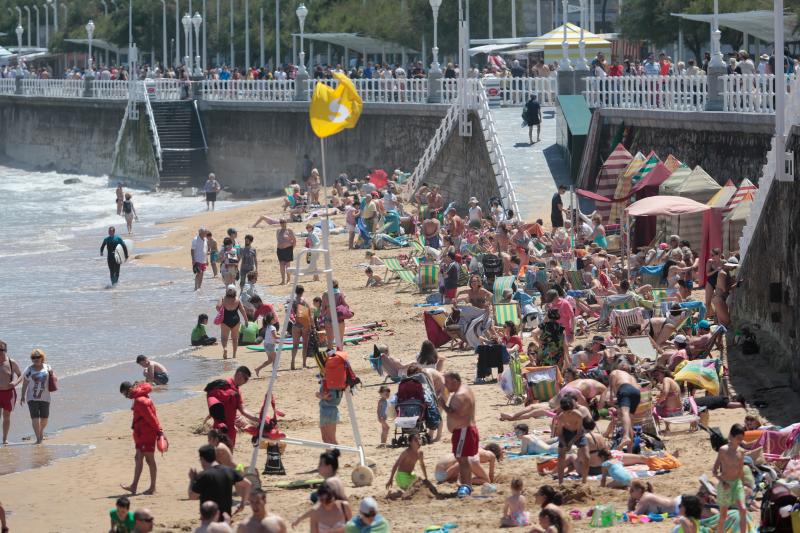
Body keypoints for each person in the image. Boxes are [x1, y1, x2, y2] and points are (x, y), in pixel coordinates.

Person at [438, 372, 478, 498]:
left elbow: (455, 413)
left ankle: (466, 486)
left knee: (462, 461)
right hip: (466, 430)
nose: (446, 385)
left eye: (447, 382)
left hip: (463, 431)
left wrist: (443, 405)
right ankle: (467, 486)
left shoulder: (459, 395)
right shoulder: (465, 389)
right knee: (463, 460)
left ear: (455, 381)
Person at [119, 381, 162, 495]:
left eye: (125, 394)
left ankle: (152, 487)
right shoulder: (138, 397)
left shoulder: (140, 401)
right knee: (138, 458)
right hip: (141, 434)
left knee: (149, 460)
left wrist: (159, 431)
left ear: (130, 389)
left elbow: (151, 418)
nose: (126, 397)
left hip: (147, 434)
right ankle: (134, 486)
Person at [189, 444, 252, 519]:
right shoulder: (229, 471)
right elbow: (248, 484)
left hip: (209, 521)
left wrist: (192, 480)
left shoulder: (203, 475)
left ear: (202, 458)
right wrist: (242, 504)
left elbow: (192, 496)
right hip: (226, 520)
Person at [205, 366, 260, 449]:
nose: (245, 382)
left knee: (228, 455)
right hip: (220, 427)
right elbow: (212, 401)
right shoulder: (223, 384)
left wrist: (258, 419)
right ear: (239, 374)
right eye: (245, 379)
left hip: (231, 429)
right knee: (218, 455)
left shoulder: (237, 391)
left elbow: (243, 410)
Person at [713, 423, 747, 533]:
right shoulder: (723, 450)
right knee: (723, 515)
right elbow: (714, 471)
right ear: (731, 436)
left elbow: (740, 470)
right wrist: (723, 482)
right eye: (738, 438)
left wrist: (744, 485)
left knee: (743, 509)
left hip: (737, 484)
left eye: (741, 439)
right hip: (725, 484)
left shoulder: (741, 452)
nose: (740, 441)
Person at [19, 349, 55, 445]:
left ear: (42, 357)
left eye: (37, 357)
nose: (35, 359)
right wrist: (22, 396)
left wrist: (53, 376)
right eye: (33, 357)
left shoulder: (47, 367)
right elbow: (25, 383)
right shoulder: (29, 369)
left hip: (45, 397)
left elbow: (54, 378)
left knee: (45, 418)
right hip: (32, 398)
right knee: (35, 418)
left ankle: (41, 431)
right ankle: (38, 439)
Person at [555, 396, 591, 485]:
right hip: (566, 433)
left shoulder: (578, 415)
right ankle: (560, 482)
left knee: (587, 457)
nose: (568, 414)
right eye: (566, 412)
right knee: (561, 457)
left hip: (577, 433)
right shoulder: (561, 417)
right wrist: (564, 443)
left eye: (570, 411)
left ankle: (584, 481)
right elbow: (559, 433)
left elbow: (579, 432)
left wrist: (571, 443)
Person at [608, 366, 641, 452]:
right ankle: (630, 451)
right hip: (637, 393)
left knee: (624, 413)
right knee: (630, 421)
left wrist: (612, 398)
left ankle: (625, 436)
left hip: (624, 389)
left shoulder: (615, 371)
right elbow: (638, 388)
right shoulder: (631, 377)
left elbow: (612, 391)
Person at [217, 285, 248, 360]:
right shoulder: (237, 299)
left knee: (224, 338)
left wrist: (221, 310)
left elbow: (218, 307)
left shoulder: (223, 299)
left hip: (225, 320)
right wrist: (246, 320)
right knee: (235, 339)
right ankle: (234, 355)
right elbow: (242, 310)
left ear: (226, 291)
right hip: (236, 320)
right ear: (235, 291)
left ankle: (225, 348)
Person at [0, 340, 21, 445]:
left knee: (6, 417)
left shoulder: (11, 362)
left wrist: (15, 382)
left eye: (1, 350)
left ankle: (4, 439)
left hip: (8, 393)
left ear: (5, 350)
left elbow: (20, 375)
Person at [275, 219, 296, 285]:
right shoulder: (278, 231)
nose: (282, 223)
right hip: (279, 250)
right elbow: (278, 240)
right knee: (281, 265)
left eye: (283, 222)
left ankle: (288, 280)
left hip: (288, 249)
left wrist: (291, 249)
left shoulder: (289, 230)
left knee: (287, 265)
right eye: (281, 222)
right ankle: (283, 280)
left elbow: (294, 241)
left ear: (286, 222)